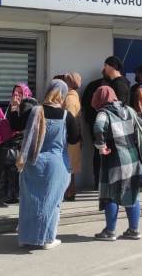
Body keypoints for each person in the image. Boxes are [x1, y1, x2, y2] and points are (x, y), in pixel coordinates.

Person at [13, 80, 80, 249]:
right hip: (56, 165)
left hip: (32, 162)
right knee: (52, 202)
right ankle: (47, 239)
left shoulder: (35, 111)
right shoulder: (67, 116)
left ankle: (26, 238)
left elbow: (15, 125)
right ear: (62, 95)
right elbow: (74, 139)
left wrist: (14, 108)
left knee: (29, 202)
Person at [92, 86, 142, 241]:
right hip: (133, 157)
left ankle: (110, 231)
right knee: (131, 192)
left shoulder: (104, 113)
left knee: (111, 194)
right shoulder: (129, 110)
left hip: (114, 158)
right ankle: (134, 230)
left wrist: (101, 146)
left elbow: (98, 127)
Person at [2, 84, 37, 205]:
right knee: (12, 171)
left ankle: (15, 196)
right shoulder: (16, 104)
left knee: (15, 171)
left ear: (26, 93)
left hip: (21, 144)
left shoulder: (28, 104)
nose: (16, 96)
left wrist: (15, 108)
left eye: (19, 93)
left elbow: (18, 126)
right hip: (15, 143)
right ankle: (12, 195)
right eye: (14, 93)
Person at [82, 71, 107, 190]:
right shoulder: (111, 87)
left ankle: (97, 181)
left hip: (93, 123)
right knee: (107, 152)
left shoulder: (92, 85)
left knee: (98, 152)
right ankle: (104, 182)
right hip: (107, 125)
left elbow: (84, 104)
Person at [61, 72, 82, 201]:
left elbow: (68, 120)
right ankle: (70, 191)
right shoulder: (74, 96)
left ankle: (69, 192)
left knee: (69, 166)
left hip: (69, 137)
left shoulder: (69, 99)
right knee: (71, 165)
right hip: (74, 136)